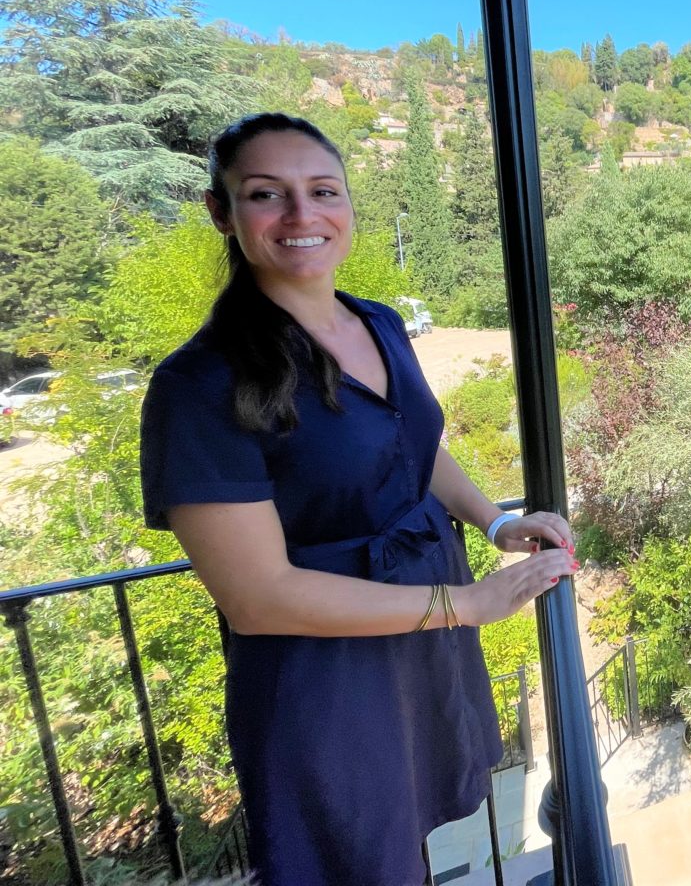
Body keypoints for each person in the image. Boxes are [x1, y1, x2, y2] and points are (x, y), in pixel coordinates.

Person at [139, 113, 579, 885]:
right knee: (358, 858)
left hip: (419, 639)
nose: (300, 214)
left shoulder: (380, 323)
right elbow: (257, 598)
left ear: (347, 204)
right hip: (326, 674)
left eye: (322, 191)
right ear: (222, 212)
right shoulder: (199, 386)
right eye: (266, 194)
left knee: (409, 845)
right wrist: (466, 604)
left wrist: (494, 521)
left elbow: (414, 446)